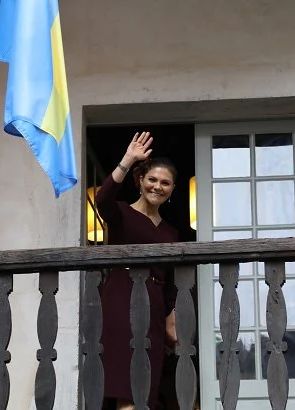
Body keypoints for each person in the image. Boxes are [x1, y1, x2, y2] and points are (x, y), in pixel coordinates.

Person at [96, 131, 179, 410]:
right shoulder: (120, 213)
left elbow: (169, 282)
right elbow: (103, 198)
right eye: (152, 179)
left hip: (154, 309)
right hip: (122, 300)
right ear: (140, 180)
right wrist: (128, 160)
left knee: (144, 393)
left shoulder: (171, 232)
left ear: (172, 189)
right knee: (126, 391)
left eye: (165, 183)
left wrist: (171, 317)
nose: (157, 186)